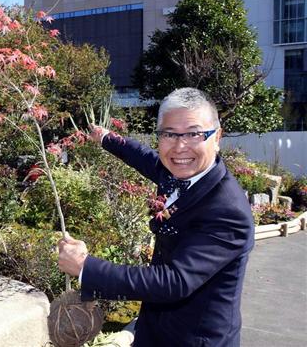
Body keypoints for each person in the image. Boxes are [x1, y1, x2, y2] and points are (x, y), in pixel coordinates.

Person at [58, 88, 254, 347]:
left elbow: (175, 281)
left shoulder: (227, 209)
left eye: (194, 133)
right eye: (169, 134)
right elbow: (144, 157)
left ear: (217, 137)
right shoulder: (179, 173)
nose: (180, 146)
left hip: (195, 339)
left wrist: (86, 268)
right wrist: (106, 138)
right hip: (155, 329)